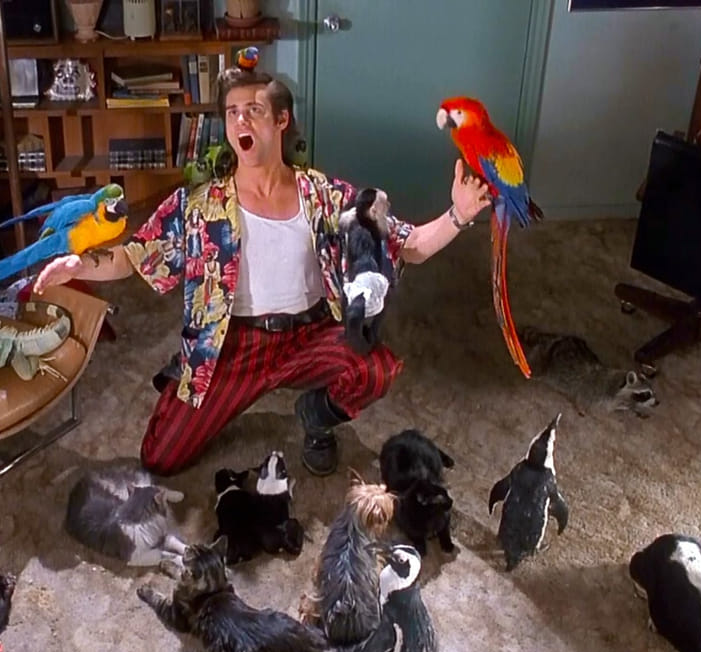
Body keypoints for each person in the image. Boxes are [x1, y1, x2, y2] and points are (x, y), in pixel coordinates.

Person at [32, 62, 491, 477]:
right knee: (160, 457)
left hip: (310, 334)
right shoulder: (200, 205)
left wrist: (458, 214)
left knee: (375, 369)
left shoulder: (324, 195)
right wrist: (80, 263)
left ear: (280, 120)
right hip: (237, 343)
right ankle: (189, 374)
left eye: (253, 110)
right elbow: (133, 256)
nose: (241, 122)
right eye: (232, 113)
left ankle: (316, 417)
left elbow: (409, 245)